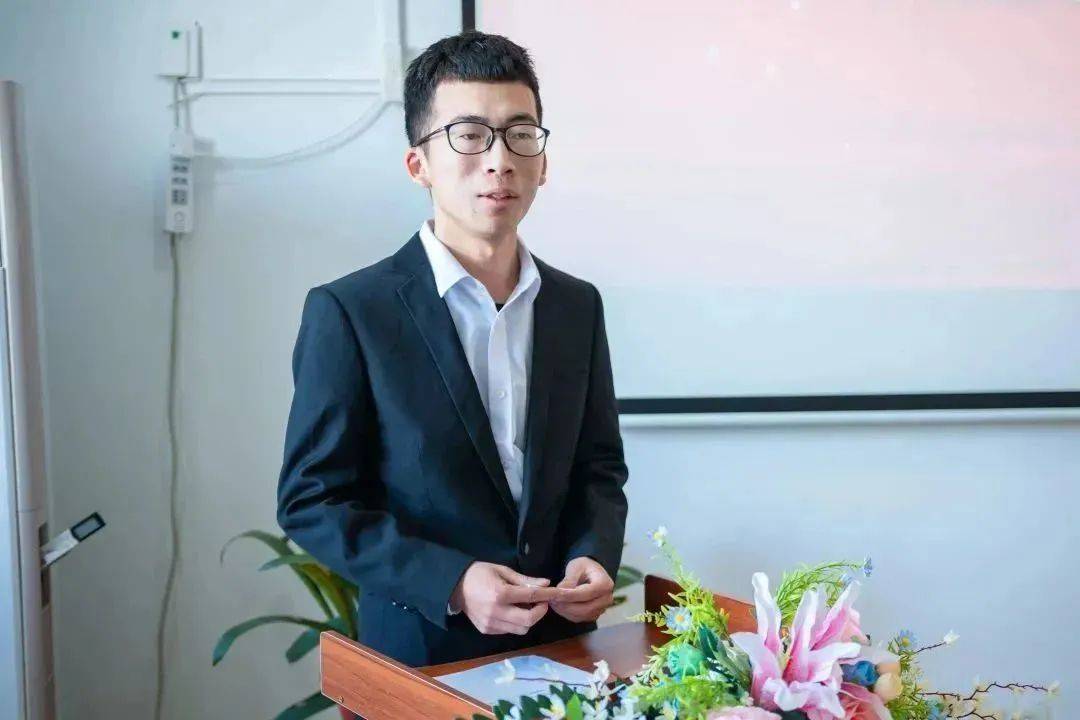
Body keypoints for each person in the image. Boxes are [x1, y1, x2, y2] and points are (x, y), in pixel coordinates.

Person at [276, 30, 629, 667]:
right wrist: (454, 583)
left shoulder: (577, 306)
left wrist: (593, 553)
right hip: (422, 655)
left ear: (543, 161)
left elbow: (597, 467)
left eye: (520, 134)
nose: (500, 160)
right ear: (420, 165)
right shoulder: (352, 311)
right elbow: (313, 502)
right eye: (469, 135)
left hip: (562, 649)